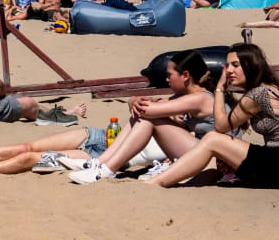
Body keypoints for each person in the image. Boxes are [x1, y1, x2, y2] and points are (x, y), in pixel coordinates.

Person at [146, 44, 279, 188]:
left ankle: (158, 182)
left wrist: (219, 89)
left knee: (213, 138)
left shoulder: (259, 94)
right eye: (227, 65)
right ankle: (177, 183)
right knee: (217, 145)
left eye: (235, 65)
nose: (229, 71)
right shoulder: (268, 88)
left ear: (250, 66)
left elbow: (221, 126)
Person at [66, 50, 224, 183]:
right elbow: (150, 106)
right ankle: (100, 163)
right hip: (200, 156)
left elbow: (149, 111)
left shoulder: (201, 98)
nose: (166, 79)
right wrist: (134, 101)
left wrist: (137, 103)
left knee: (147, 117)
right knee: (142, 115)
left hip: (212, 164)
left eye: (170, 75)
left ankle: (106, 169)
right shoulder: (183, 97)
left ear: (185, 75)